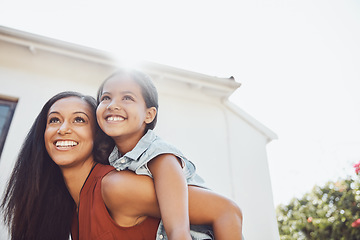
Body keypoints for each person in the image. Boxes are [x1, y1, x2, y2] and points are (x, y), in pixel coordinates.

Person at [1, 91, 243, 240]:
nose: (63, 128)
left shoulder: (115, 187)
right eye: (54, 120)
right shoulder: (71, 212)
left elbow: (227, 210)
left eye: (78, 119)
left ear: (98, 134)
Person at [96, 69, 242, 239]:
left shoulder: (160, 156)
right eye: (106, 98)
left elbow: (178, 232)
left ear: (149, 115)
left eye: (127, 98)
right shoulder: (111, 160)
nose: (113, 104)